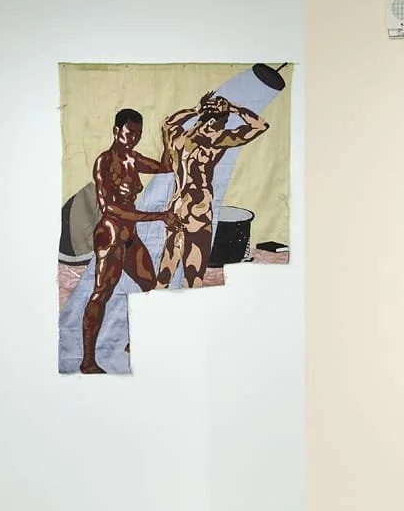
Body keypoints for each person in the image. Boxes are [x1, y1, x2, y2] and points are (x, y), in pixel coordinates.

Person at [79, 109, 175, 374]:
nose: (134, 138)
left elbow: (166, 167)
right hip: (111, 236)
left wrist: (166, 140)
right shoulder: (105, 161)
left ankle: (138, 341)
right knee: (101, 294)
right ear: (116, 131)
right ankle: (87, 361)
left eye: (138, 134)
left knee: (151, 287)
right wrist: (158, 216)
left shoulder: (134, 159)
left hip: (130, 236)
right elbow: (110, 208)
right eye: (129, 132)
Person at [157, 93, 270, 288]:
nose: (224, 126)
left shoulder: (178, 137)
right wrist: (234, 108)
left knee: (166, 268)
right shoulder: (215, 139)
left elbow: (167, 122)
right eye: (224, 121)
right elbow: (260, 126)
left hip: (175, 207)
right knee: (194, 276)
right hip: (197, 210)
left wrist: (195, 110)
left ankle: (157, 301)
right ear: (215, 122)